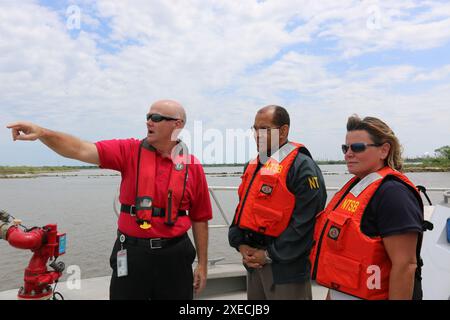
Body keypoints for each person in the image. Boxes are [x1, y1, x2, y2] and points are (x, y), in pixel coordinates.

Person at [7, 100, 212, 300]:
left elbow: (200, 218)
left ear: (178, 124)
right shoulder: (129, 150)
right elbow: (79, 149)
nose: (149, 122)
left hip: (175, 256)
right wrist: (43, 133)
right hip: (131, 254)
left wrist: (202, 264)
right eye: (148, 117)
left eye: (156, 118)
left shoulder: (192, 166)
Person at [310, 115, 430, 300]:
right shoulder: (355, 188)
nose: (348, 153)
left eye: (357, 147)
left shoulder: (394, 194)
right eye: (345, 147)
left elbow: (405, 265)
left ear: (384, 150)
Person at [228, 105, 327, 300]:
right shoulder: (254, 165)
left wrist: (268, 255)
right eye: (255, 129)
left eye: (264, 129)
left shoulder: (302, 166)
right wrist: (240, 243)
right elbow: (244, 209)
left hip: (286, 271)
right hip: (253, 264)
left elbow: (306, 223)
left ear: (283, 131)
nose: (257, 135)